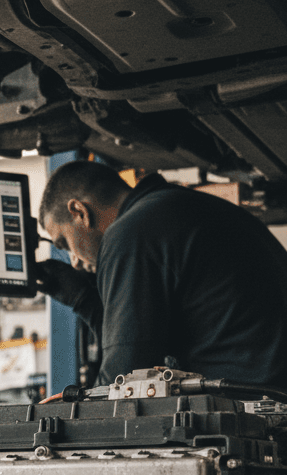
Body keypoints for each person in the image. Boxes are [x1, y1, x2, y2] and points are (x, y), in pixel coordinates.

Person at [35, 160, 287, 387]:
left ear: (79, 212)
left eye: (65, 244)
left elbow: (124, 382)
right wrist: (85, 300)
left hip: (258, 408)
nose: (75, 262)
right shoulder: (173, 206)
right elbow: (137, 347)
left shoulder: (129, 234)